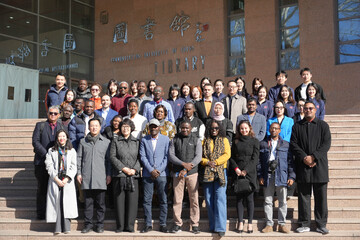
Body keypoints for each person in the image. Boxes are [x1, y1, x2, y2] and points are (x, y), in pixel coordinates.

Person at [290, 101, 331, 235]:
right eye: (305, 108)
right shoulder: (297, 126)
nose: (307, 110)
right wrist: (304, 158)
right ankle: (304, 223)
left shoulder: (323, 125)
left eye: (310, 108)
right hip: (303, 166)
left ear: (315, 109)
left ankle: (321, 224)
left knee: (321, 197)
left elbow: (326, 144)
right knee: (304, 197)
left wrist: (313, 157)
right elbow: (294, 144)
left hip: (319, 166)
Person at [258, 122, 295, 234]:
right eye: (272, 128)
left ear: (279, 130)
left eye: (276, 128)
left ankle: (281, 224)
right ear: (269, 129)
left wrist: (291, 176)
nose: (274, 130)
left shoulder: (286, 144)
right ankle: (269, 224)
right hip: (267, 175)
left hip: (281, 175)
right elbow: (259, 162)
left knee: (282, 201)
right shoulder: (263, 144)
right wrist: (260, 175)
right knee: (268, 201)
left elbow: (290, 162)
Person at [77, 118, 112, 234]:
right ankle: (88, 225)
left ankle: (100, 225)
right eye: (92, 126)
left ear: (100, 127)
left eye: (96, 125)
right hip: (87, 177)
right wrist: (79, 173)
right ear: (88, 127)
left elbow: (108, 161)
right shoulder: (83, 142)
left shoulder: (106, 142)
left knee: (101, 204)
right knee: (88, 203)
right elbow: (79, 158)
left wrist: (108, 174)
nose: (94, 128)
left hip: (101, 177)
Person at [32, 106, 66, 220]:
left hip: (57, 164)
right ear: (47, 113)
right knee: (42, 188)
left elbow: (65, 141)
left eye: (55, 113)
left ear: (59, 115)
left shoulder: (62, 126)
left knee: (56, 189)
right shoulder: (40, 126)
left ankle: (54, 213)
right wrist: (47, 154)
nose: (53, 115)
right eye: (51, 113)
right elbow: (35, 142)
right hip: (41, 163)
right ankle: (41, 213)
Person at [169, 120, 202, 234]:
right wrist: (183, 165)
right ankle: (177, 224)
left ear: (191, 128)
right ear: (180, 128)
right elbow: (171, 155)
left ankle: (195, 224)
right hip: (178, 173)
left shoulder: (196, 139)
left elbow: (198, 157)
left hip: (192, 173)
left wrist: (186, 169)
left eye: (187, 128)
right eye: (183, 128)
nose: (185, 130)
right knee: (177, 199)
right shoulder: (175, 139)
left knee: (194, 199)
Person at [110, 119, 141, 233]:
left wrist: (134, 170)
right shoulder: (115, 141)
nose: (125, 129)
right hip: (120, 175)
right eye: (123, 126)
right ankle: (120, 226)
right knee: (119, 202)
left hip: (133, 175)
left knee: (132, 202)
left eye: (128, 127)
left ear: (131, 128)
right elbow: (112, 157)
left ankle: (130, 226)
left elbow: (140, 157)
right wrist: (124, 169)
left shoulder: (136, 142)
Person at [139, 119, 170, 233]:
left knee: (163, 199)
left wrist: (159, 170)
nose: (153, 128)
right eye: (151, 126)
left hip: (162, 174)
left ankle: (163, 224)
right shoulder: (144, 140)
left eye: (155, 126)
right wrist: (151, 170)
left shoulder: (166, 139)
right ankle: (148, 224)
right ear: (149, 128)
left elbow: (167, 156)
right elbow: (142, 156)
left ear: (159, 127)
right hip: (148, 173)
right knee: (147, 200)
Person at [201, 120, 231, 237]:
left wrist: (216, 162)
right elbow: (200, 156)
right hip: (207, 171)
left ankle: (220, 227)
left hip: (220, 172)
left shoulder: (224, 140)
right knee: (209, 199)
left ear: (220, 129)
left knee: (220, 199)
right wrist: (207, 162)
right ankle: (213, 226)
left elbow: (227, 154)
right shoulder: (205, 140)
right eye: (212, 128)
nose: (214, 130)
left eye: (216, 128)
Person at [45, 129, 78, 234]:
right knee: (57, 203)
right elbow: (49, 165)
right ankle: (58, 228)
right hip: (56, 179)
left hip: (67, 180)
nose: (62, 138)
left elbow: (74, 166)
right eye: (60, 136)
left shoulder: (71, 151)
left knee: (67, 203)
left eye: (64, 136)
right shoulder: (51, 150)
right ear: (57, 138)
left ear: (67, 138)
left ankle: (67, 228)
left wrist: (67, 178)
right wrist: (56, 179)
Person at [230, 120, 259, 234]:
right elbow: (231, 158)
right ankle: (240, 222)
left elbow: (255, 158)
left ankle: (250, 223)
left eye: (246, 128)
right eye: (241, 128)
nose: (244, 130)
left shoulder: (255, 141)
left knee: (250, 199)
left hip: (250, 173)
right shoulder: (236, 141)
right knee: (239, 199)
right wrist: (236, 169)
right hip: (238, 172)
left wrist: (246, 170)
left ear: (249, 128)